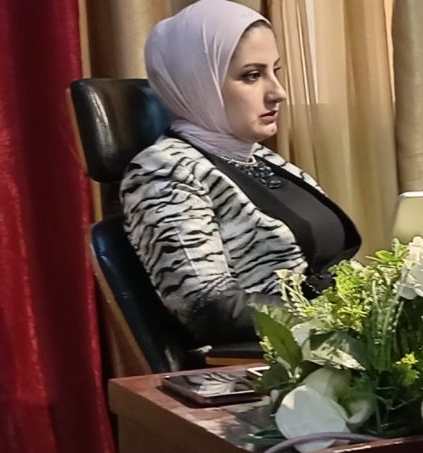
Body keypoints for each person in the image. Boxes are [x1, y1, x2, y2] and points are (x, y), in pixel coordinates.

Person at [121, 0, 360, 347]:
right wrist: (336, 319)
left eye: (275, 71)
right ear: (198, 82)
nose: (278, 92)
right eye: (252, 76)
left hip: (329, 345)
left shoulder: (258, 156)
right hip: (268, 363)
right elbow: (209, 308)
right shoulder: (163, 172)